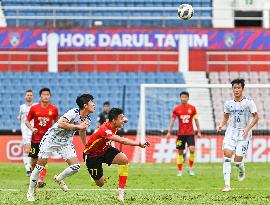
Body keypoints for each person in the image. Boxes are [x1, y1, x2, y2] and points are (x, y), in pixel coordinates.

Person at [27, 94, 94, 202]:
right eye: (92, 102)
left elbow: (82, 131)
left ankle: (59, 178)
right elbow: (60, 123)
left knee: (76, 166)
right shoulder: (73, 112)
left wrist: (86, 145)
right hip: (50, 139)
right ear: (85, 105)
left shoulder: (87, 119)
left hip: (65, 142)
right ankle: (30, 191)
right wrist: (78, 126)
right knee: (39, 167)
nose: (94, 104)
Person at [84, 108, 150, 202]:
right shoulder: (105, 130)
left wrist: (123, 119)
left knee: (124, 160)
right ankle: (93, 176)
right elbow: (122, 140)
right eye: (121, 118)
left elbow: (123, 120)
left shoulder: (113, 122)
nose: (123, 120)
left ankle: (121, 192)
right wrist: (139, 143)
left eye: (123, 117)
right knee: (100, 183)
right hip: (92, 155)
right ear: (114, 121)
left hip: (105, 149)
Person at [217, 79, 259, 192]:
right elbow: (226, 117)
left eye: (238, 88)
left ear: (242, 89)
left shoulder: (249, 102)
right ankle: (227, 185)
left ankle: (241, 169)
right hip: (231, 131)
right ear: (232, 89)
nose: (236, 90)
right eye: (234, 88)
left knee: (237, 161)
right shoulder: (228, 103)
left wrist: (247, 129)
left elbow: (256, 117)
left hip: (244, 133)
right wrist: (221, 125)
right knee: (227, 155)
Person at [25, 87, 58, 188]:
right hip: (35, 138)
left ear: (50, 96)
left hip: (47, 140)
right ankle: (36, 176)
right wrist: (32, 128)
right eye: (44, 94)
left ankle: (40, 180)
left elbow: (57, 123)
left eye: (48, 94)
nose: (46, 96)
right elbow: (27, 121)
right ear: (40, 96)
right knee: (33, 161)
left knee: (43, 159)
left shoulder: (54, 109)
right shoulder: (34, 108)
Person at [167, 91, 201, 176]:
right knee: (180, 152)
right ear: (180, 98)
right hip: (180, 134)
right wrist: (169, 131)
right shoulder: (176, 109)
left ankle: (190, 168)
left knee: (192, 149)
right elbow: (172, 120)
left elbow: (196, 120)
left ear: (188, 98)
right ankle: (180, 171)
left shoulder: (192, 108)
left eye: (185, 97)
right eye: (182, 97)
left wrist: (199, 131)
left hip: (190, 133)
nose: (184, 98)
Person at [18, 89, 35, 176]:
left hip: (34, 130)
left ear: (33, 96)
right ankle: (28, 169)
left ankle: (33, 167)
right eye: (28, 95)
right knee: (27, 149)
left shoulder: (35, 106)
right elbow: (20, 116)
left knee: (34, 151)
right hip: (25, 131)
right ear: (25, 96)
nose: (29, 96)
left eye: (30, 95)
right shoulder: (22, 107)